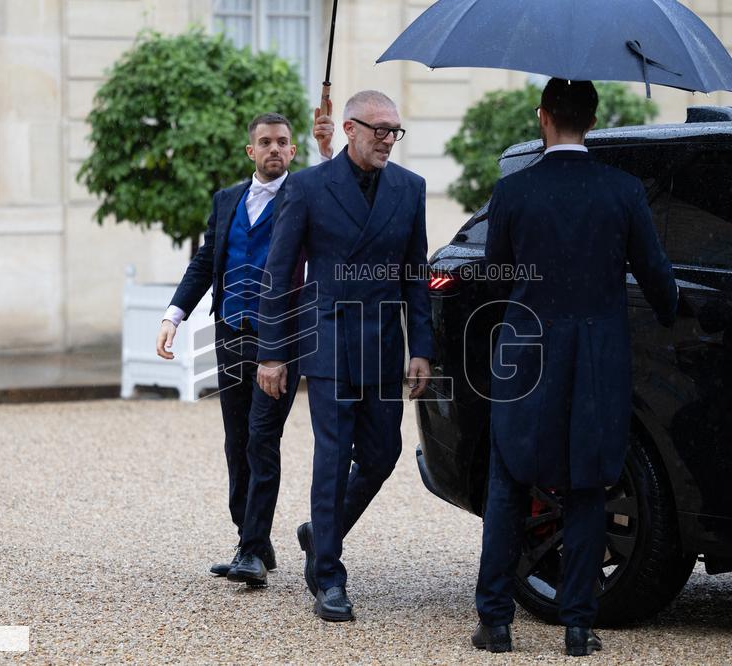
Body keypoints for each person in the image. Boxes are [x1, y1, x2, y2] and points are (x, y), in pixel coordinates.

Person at [473, 79, 678, 655]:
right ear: (590, 119)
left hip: (526, 353)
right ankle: (579, 626)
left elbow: (498, 271)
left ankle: (496, 622)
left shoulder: (514, 190)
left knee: (509, 481)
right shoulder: (623, 190)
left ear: (543, 118)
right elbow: (657, 276)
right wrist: (671, 312)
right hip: (596, 358)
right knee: (589, 485)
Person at [255, 90, 433, 622]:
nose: (387, 140)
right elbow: (280, 274)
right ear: (349, 130)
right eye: (379, 130)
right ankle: (329, 575)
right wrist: (272, 353)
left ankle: (319, 531)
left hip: (382, 345)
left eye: (394, 131)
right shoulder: (308, 188)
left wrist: (421, 346)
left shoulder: (411, 188)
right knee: (332, 457)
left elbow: (414, 276)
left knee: (382, 455)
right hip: (328, 343)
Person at [155, 111, 334, 588]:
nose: (274, 149)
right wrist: (174, 315)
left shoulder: (307, 196)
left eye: (282, 143)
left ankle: (252, 550)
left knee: (261, 438)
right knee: (236, 441)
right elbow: (205, 261)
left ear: (292, 152)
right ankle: (250, 538)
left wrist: (326, 147)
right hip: (231, 331)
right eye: (265, 142)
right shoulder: (226, 200)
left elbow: (338, 188)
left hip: (282, 339)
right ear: (250, 151)